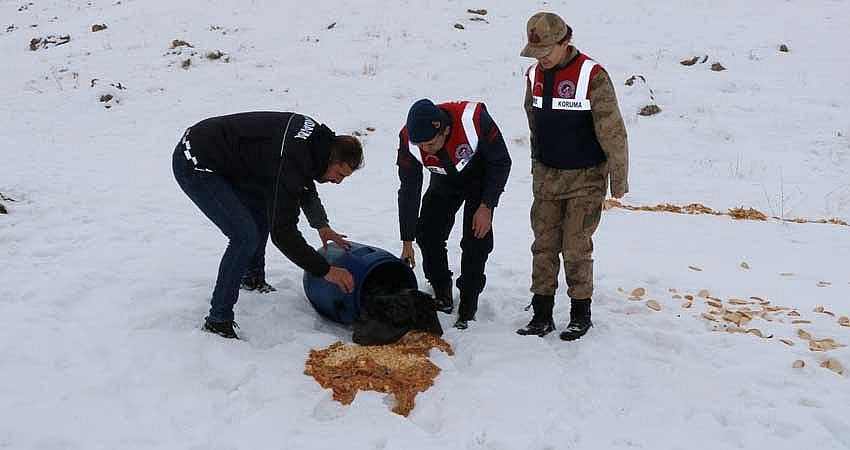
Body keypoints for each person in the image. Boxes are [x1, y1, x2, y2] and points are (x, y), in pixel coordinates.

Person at [172, 111, 362, 339]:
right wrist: (325, 270)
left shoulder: (317, 145)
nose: (338, 182)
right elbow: (283, 233)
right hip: (196, 159)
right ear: (332, 159)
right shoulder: (296, 156)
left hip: (233, 161)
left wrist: (321, 225)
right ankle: (218, 320)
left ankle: (252, 278)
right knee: (244, 236)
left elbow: (303, 181)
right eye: (339, 174)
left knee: (260, 212)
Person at [516, 12, 629, 340]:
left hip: (585, 177)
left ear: (565, 42)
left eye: (547, 50)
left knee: (576, 246)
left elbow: (612, 130)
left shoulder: (592, 75)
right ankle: (542, 313)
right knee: (544, 245)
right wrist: (537, 163)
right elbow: (533, 120)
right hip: (548, 176)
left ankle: (581, 313)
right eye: (536, 52)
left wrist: (618, 178)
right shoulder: (534, 73)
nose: (541, 58)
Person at [397, 99, 512, 330]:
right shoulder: (409, 140)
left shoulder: (474, 119)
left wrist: (487, 205)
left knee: (475, 240)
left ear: (445, 130)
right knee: (427, 233)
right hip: (444, 181)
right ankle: (442, 291)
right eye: (421, 145)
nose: (425, 150)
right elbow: (409, 189)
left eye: (430, 144)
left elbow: (501, 162)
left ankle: (468, 304)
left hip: (480, 180)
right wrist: (407, 239)